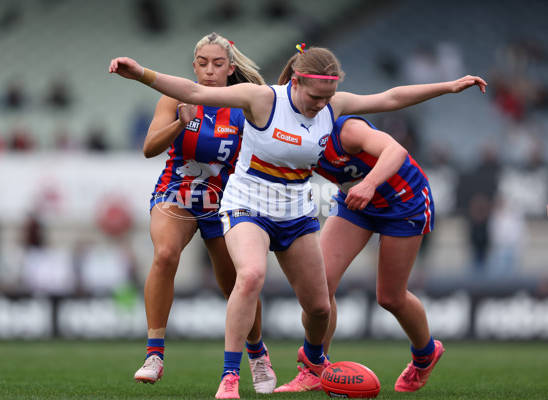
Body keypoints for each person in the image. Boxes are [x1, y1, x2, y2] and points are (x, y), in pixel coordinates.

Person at [109, 44, 486, 399]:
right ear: (297, 81)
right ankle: (248, 373)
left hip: (351, 206)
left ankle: (385, 356)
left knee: (354, 301)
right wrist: (140, 72)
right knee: (258, 277)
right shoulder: (264, 99)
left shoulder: (335, 112)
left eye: (328, 98)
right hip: (260, 204)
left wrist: (449, 87)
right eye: (315, 97)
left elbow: (390, 100)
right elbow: (195, 92)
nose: (321, 106)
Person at [125, 33, 277, 394]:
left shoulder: (245, 105)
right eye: (203, 63)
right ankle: (154, 354)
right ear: (194, 66)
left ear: (231, 68)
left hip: (226, 200)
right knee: (164, 254)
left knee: (236, 284)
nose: (209, 71)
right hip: (177, 190)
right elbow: (148, 149)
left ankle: (257, 353)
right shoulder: (175, 96)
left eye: (218, 63)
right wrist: (181, 122)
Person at [275, 114, 444, 393]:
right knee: (320, 286)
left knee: (390, 297)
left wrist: (369, 184)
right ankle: (314, 367)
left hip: (404, 202)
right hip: (355, 202)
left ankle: (425, 355)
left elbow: (396, 151)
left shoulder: (347, 129)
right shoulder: (286, 132)